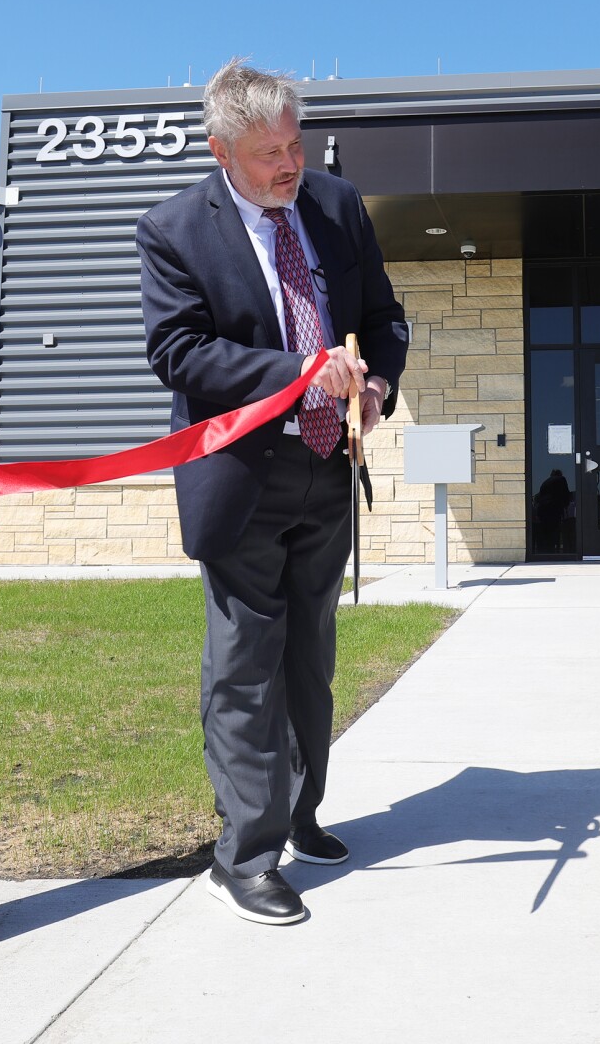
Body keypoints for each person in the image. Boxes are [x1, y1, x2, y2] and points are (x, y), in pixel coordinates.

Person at [138, 59, 408, 925]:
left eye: (295, 144)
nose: (289, 165)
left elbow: (386, 317)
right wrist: (300, 373)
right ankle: (244, 856)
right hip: (244, 476)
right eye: (268, 155)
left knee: (311, 658)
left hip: (329, 467)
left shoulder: (336, 205)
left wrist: (375, 384)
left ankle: (301, 813)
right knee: (246, 667)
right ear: (221, 150)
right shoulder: (175, 229)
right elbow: (179, 353)